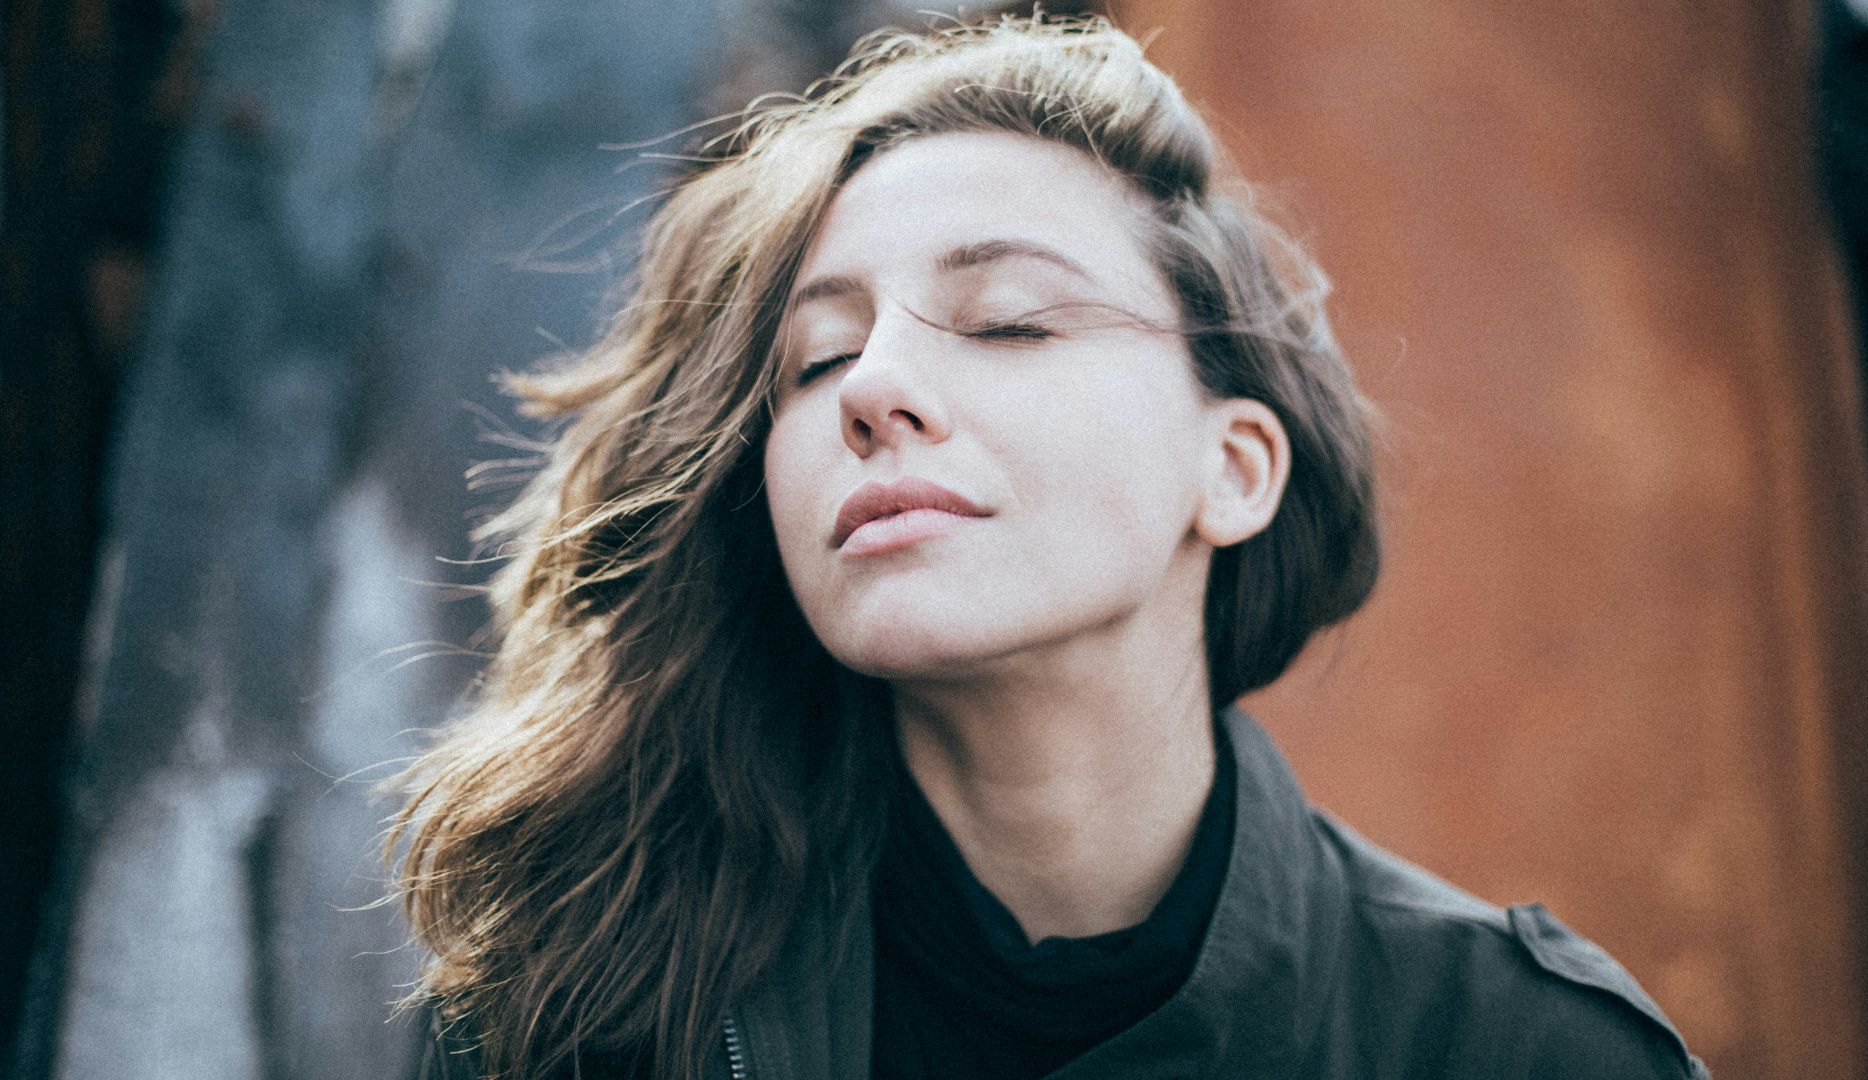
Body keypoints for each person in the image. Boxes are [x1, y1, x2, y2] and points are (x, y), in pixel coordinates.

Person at [393, 15, 1710, 1080]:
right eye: (818, 357)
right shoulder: (570, 1013)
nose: (872, 388)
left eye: (1012, 320)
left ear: (1233, 467)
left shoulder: (1514, 1049)